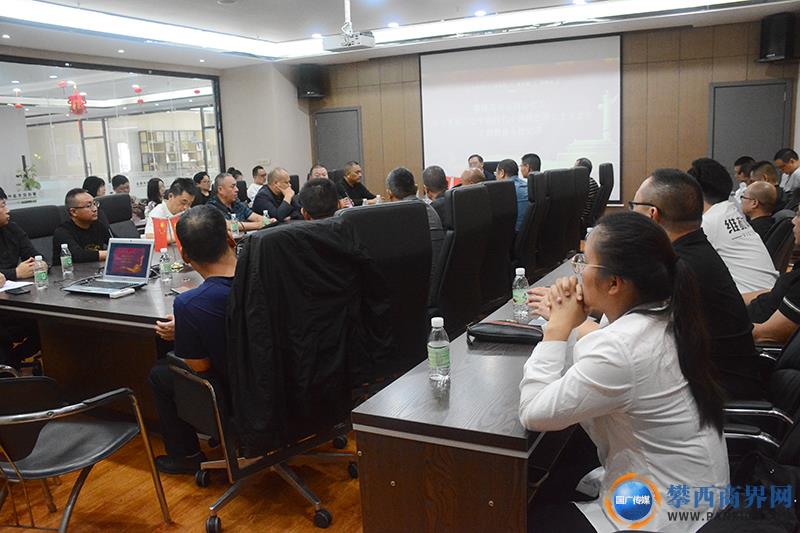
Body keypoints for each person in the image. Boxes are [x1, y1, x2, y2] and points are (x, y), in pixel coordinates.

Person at [520, 211, 727, 533]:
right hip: (694, 492)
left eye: (584, 262)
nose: (577, 272)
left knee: (527, 518)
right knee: (560, 471)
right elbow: (605, 348)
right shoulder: (665, 312)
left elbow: (533, 413)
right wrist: (567, 320)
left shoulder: (621, 347)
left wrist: (557, 330)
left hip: (666, 513)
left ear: (614, 283)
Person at [629, 169, 761, 400]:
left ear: (652, 214)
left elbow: (627, 340)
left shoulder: (678, 266)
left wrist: (568, 320)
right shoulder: (695, 249)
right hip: (720, 379)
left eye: (634, 205)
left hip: (715, 395)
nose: (631, 213)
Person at [148, 205, 236, 474]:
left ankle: (186, 456)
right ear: (230, 239)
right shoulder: (267, 275)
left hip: (244, 394)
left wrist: (188, 329)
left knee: (161, 373)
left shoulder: (190, 303)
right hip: (292, 382)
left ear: (185, 255)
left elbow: (200, 367)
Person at [688, 157, 777, 292]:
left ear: (693, 194)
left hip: (750, 300)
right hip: (769, 294)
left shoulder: (708, 222)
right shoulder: (732, 212)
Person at [746, 212, 800, 344]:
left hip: (749, 342)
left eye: (799, 216)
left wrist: (709, 329)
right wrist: (728, 298)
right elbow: (776, 293)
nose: (793, 221)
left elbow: (766, 335)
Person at [385, 167, 444, 270]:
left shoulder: (398, 216)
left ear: (390, 194)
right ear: (416, 188)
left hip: (421, 276)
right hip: (438, 273)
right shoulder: (429, 209)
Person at [53, 188, 111, 264]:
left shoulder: (98, 225)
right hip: (71, 270)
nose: (95, 209)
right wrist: (111, 253)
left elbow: (116, 242)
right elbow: (78, 255)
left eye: (94, 204)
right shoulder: (62, 232)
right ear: (73, 212)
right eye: (89, 206)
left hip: (95, 268)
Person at [0, 186, 39, 281]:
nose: (7, 210)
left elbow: (33, 255)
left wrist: (40, 264)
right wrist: (16, 273)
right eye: (2, 206)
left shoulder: (12, 228)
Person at [144, 178, 198, 242]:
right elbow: (150, 236)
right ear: (170, 196)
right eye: (183, 202)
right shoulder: (157, 212)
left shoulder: (188, 212)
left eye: (189, 204)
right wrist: (178, 238)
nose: (185, 207)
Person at [495, 158, 528, 232]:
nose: (495, 177)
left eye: (496, 173)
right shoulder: (526, 184)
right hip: (528, 231)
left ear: (502, 173)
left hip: (514, 232)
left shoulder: (506, 190)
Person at [575, 157, 599, 230]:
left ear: (581, 170)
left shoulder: (584, 185)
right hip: (585, 218)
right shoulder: (591, 181)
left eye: (575, 167)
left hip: (581, 219)